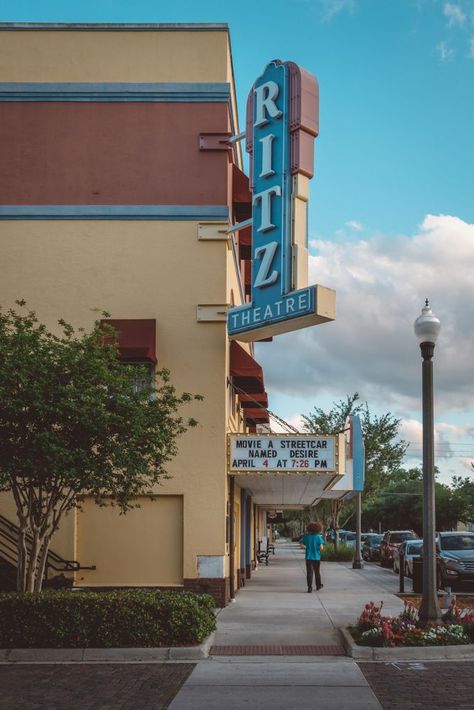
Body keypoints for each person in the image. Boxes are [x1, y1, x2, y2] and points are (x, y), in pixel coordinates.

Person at [301, 522, 325, 592]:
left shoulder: (306, 537)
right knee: (317, 572)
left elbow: (302, 545)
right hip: (316, 557)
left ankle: (309, 587)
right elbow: (321, 547)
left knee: (309, 572)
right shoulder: (318, 537)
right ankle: (318, 586)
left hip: (308, 557)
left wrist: (307, 547)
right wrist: (317, 549)